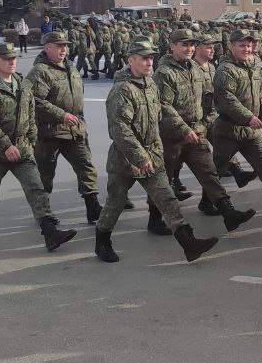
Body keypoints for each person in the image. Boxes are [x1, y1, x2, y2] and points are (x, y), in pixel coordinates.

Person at [93, 39, 218, 264]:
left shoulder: (150, 83)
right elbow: (119, 130)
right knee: (116, 202)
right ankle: (102, 241)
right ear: (130, 60)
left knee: (167, 198)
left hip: (152, 155)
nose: (149, 62)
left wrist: (183, 130)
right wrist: (140, 157)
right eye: (144, 58)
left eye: (151, 57)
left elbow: (162, 113)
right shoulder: (122, 90)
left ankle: (189, 244)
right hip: (126, 159)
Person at [0, 42, 76, 253]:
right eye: (6, 59)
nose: (11, 62)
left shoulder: (23, 84)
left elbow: (30, 115)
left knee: (36, 187)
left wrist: (31, 141)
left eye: (13, 58)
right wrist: (5, 146)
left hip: (22, 149)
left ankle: (50, 232)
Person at [155, 27, 256, 235]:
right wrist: (183, 129)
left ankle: (228, 213)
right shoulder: (164, 73)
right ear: (172, 46)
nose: (189, 48)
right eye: (184, 44)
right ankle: (154, 219)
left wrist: (202, 124)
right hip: (171, 137)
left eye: (192, 44)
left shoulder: (195, 68)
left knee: (209, 173)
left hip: (196, 132)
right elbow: (164, 106)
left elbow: (206, 100)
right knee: (163, 180)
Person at [28, 30, 101, 224]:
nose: (63, 49)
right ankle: (43, 214)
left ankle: (92, 206)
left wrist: (80, 122)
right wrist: (61, 115)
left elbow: (78, 97)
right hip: (48, 132)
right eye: (59, 46)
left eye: (65, 45)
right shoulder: (40, 72)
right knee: (45, 175)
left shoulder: (71, 67)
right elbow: (34, 100)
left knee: (86, 167)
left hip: (74, 129)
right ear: (47, 48)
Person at [211, 27, 262, 204]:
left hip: (252, 133)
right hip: (228, 131)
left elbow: (260, 95)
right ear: (232, 46)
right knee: (216, 170)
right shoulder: (225, 70)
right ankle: (207, 200)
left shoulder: (256, 64)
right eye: (242, 45)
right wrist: (249, 117)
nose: (247, 49)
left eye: (249, 46)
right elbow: (227, 99)